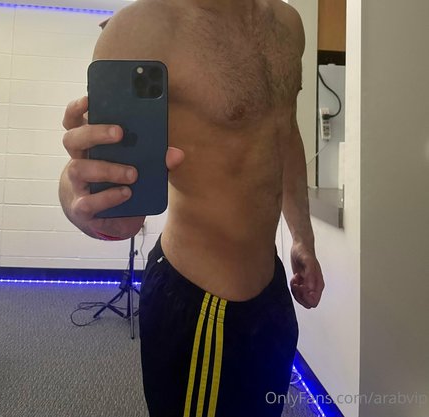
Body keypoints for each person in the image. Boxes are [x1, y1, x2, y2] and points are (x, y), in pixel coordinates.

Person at [59, 0, 325, 416]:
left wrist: (302, 239)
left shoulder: (288, 24)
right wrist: (75, 197)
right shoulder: (143, 27)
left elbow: (286, 132)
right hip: (198, 300)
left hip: (271, 293)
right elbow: (92, 162)